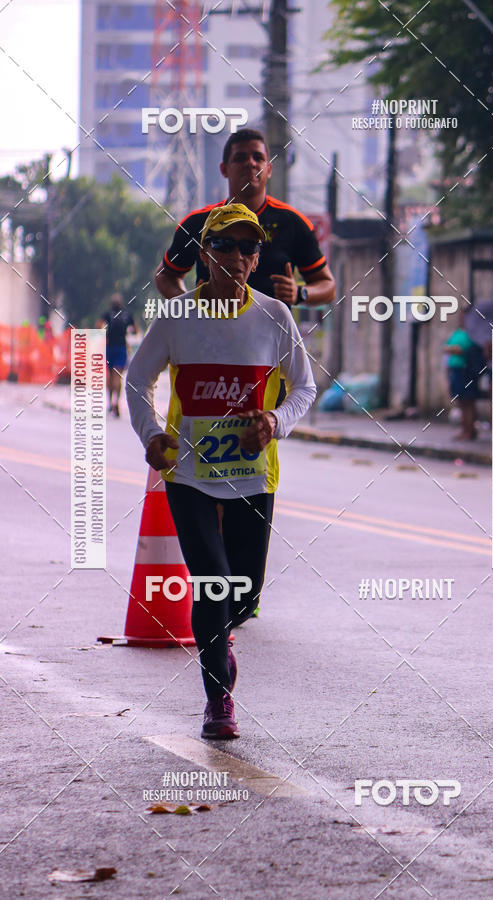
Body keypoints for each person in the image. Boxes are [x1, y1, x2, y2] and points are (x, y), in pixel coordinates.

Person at [127, 204, 316, 739]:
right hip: (188, 474)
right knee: (211, 584)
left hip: (254, 477)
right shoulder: (177, 318)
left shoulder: (275, 317)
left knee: (244, 591)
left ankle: (221, 639)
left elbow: (305, 388)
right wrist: (152, 435)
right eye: (226, 246)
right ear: (205, 254)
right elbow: (135, 382)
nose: (238, 256)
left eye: (249, 248)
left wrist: (275, 421)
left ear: (257, 259)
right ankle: (218, 700)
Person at [154, 127, 336, 309]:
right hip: (211, 334)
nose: (250, 163)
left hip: (271, 335)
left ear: (269, 168)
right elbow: (165, 275)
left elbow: (328, 287)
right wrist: (190, 305)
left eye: (258, 157)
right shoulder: (197, 223)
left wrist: (300, 293)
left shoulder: (294, 223)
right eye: (240, 158)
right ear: (224, 169)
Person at [444, 313, 485, 441]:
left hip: (466, 370)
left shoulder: (473, 334)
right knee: (461, 401)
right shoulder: (458, 332)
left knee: (468, 401)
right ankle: (464, 429)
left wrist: (456, 350)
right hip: (455, 370)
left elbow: (470, 350)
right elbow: (447, 347)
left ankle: (470, 430)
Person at [97, 293, 137, 417]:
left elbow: (98, 326)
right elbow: (135, 330)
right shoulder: (127, 315)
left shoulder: (108, 314)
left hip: (109, 348)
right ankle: (116, 402)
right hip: (121, 348)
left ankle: (109, 403)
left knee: (109, 375)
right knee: (118, 376)